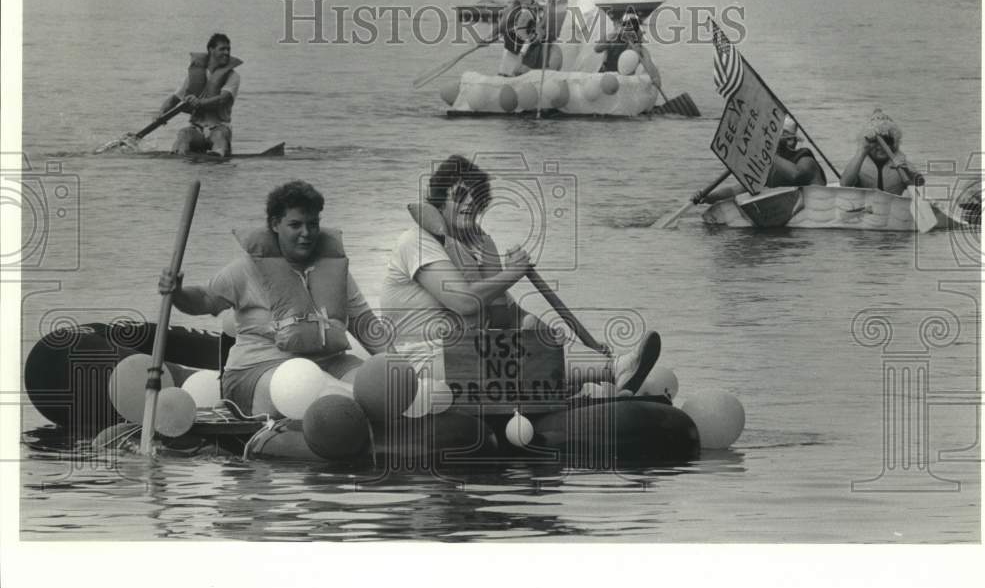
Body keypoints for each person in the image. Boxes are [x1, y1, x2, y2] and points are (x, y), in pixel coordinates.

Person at [380, 155, 661, 396]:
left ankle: (605, 370)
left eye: (475, 196)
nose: (469, 202)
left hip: (466, 351)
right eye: (460, 195)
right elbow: (464, 302)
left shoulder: (477, 245)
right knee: (511, 354)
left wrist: (562, 340)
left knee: (532, 330)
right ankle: (611, 370)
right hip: (420, 361)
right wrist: (513, 272)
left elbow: (502, 316)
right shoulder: (416, 241)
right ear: (440, 201)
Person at [158, 180, 385, 416]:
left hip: (330, 362)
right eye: (295, 225)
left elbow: (364, 323)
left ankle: (360, 407)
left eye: (313, 224)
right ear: (276, 224)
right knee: (310, 387)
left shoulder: (333, 271)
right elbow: (204, 299)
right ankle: (354, 405)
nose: (306, 233)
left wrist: (398, 366)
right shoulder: (245, 269)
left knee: (384, 386)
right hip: (259, 369)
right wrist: (178, 293)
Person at [692, 116, 827, 205]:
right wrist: (707, 197)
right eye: (786, 139)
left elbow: (796, 175)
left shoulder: (805, 159)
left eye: (791, 139)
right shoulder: (770, 167)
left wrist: (768, 154)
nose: (791, 143)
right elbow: (736, 190)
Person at [159, 33, 240, 157]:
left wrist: (199, 102)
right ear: (211, 50)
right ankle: (177, 154)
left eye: (228, 49)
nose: (227, 53)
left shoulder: (233, 76)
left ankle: (218, 154)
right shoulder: (195, 75)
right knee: (183, 134)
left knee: (219, 135)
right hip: (197, 129)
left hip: (219, 127)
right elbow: (174, 99)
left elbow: (222, 99)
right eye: (222, 49)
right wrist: (161, 112)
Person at [840, 108, 921, 195]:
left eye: (888, 140)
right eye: (875, 141)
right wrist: (862, 151)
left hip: (892, 203)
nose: (881, 147)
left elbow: (920, 185)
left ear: (894, 143)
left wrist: (908, 173)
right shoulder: (858, 162)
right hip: (866, 203)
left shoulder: (901, 160)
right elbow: (845, 184)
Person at [594, 13, 662, 88]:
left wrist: (654, 78)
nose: (629, 33)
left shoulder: (639, 48)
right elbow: (597, 49)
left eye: (633, 30)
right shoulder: (613, 38)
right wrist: (613, 36)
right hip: (605, 77)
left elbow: (649, 64)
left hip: (623, 82)